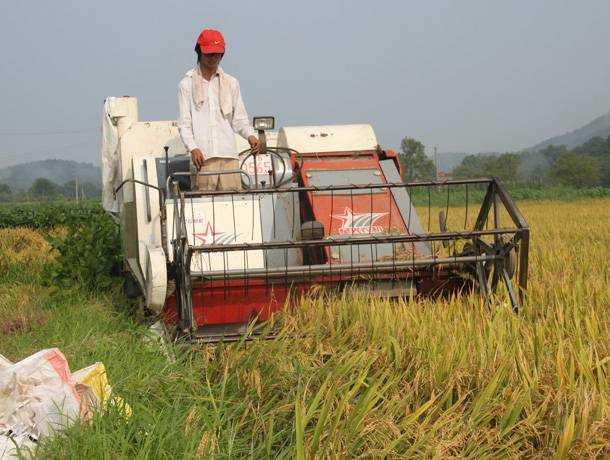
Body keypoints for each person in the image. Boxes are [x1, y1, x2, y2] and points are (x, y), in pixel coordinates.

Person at [177, 28, 259, 190]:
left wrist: (251, 136)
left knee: (234, 206)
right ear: (200, 52)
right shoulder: (186, 84)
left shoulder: (231, 83)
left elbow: (239, 120)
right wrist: (193, 148)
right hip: (203, 157)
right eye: (209, 54)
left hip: (229, 156)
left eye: (217, 54)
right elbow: (184, 123)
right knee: (205, 207)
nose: (214, 58)